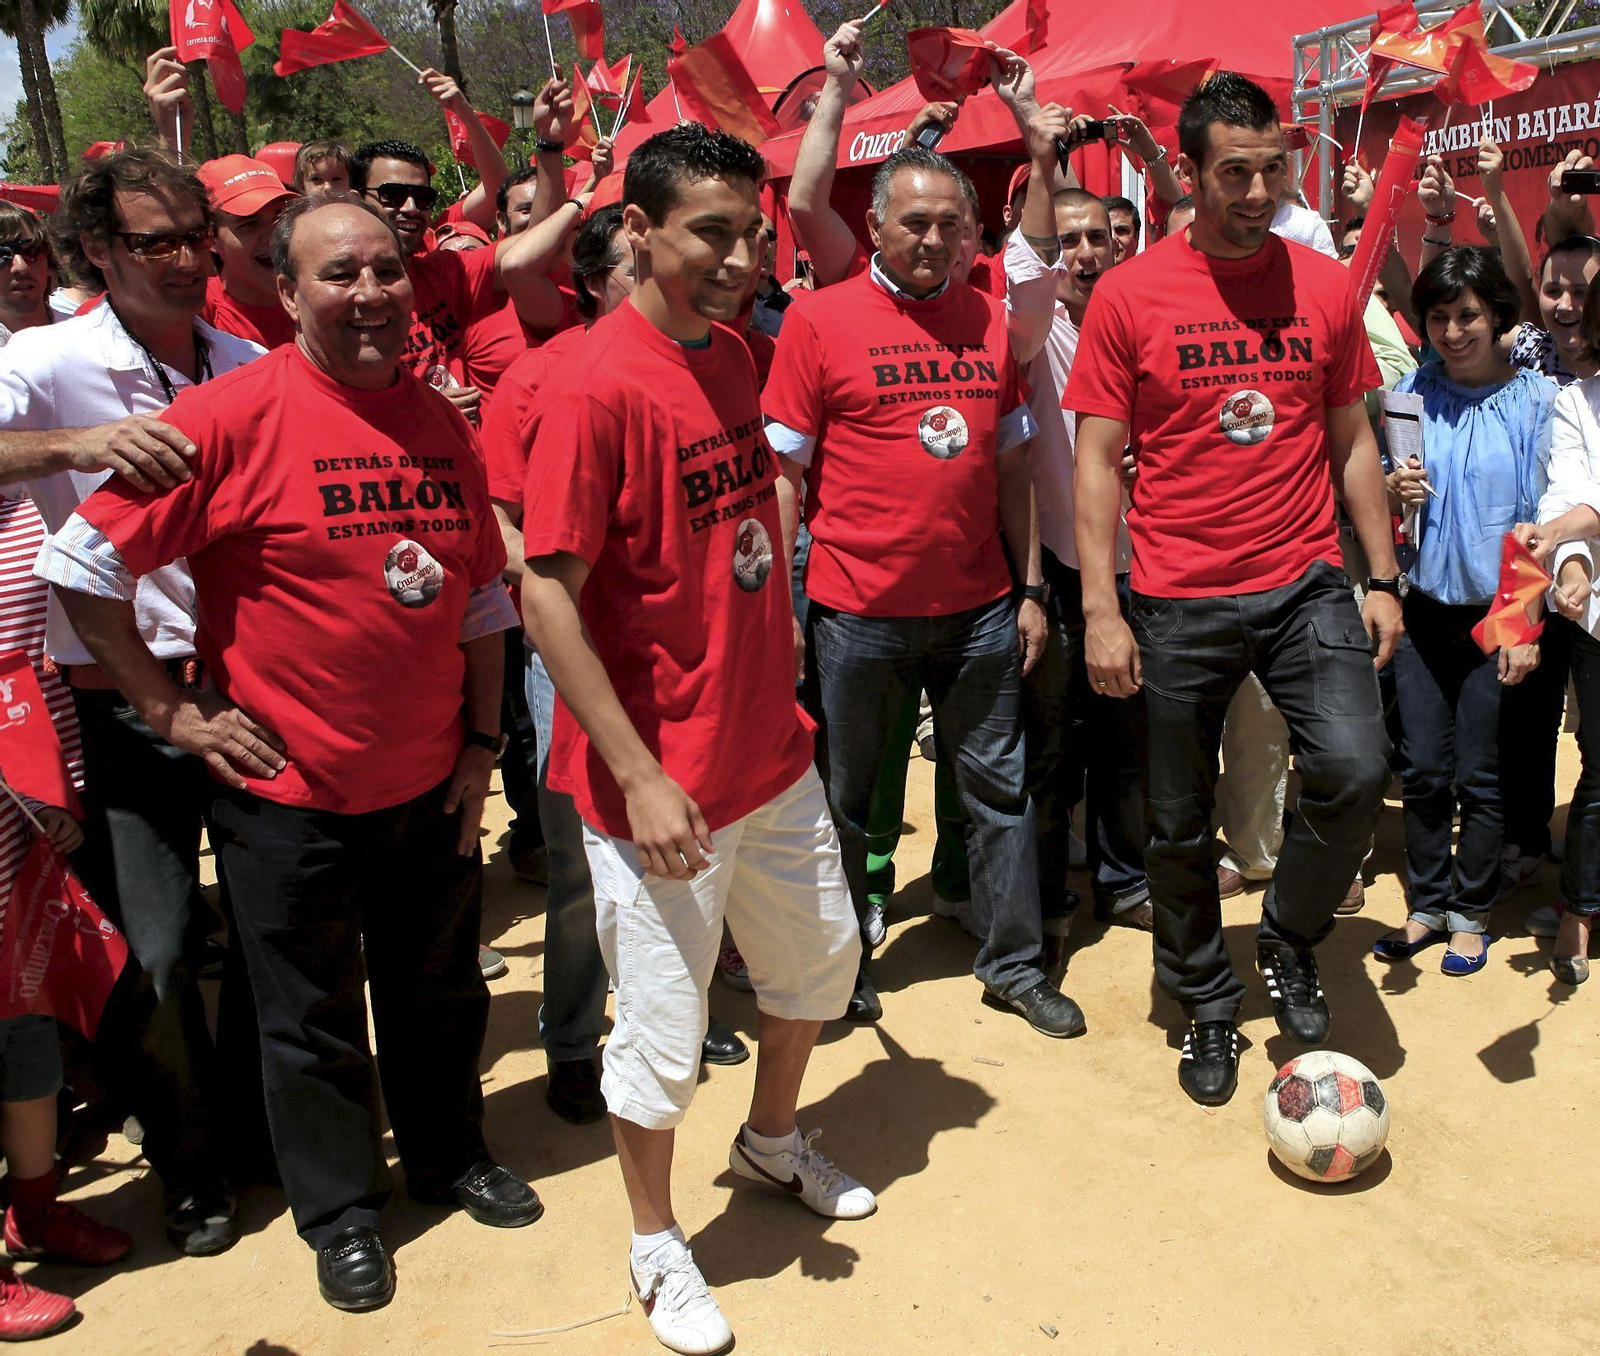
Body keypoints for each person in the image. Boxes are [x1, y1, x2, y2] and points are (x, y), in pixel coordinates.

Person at [41, 192, 544, 1311]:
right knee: (308, 1017)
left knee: (438, 991)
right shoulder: (229, 416)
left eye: (386, 270)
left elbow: (477, 596)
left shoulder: (438, 417)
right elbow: (79, 564)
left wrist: (478, 741)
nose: (369, 294)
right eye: (338, 274)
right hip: (288, 790)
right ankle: (342, 1210)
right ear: (286, 290)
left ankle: (451, 1154)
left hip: (430, 777)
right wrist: (169, 711)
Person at [520, 124, 873, 1356]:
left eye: (750, 233)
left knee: (818, 969)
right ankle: (655, 1237)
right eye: (709, 233)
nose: (738, 257)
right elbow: (546, 594)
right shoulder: (591, 385)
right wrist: (637, 773)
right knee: (663, 1042)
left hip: (768, 753)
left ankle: (770, 1141)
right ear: (638, 230)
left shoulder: (735, 356)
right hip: (660, 788)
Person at [1066, 73, 1398, 1106]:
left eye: (1272, 170)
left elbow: (1352, 440)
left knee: (1354, 769)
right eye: (1234, 172)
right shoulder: (1129, 295)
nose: (1257, 192)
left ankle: (1289, 935)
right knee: (1176, 820)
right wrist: (1101, 609)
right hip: (1176, 595)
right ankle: (1206, 997)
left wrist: (1382, 576)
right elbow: (1095, 460)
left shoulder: (1323, 285)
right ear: (1189, 170)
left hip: (1304, 580)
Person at [0, 148, 264, 1253]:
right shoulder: (46, 358)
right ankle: (188, 1162)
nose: (186, 260)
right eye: (155, 242)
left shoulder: (247, 360)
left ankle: (256, 1136)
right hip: (117, 707)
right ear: (97, 251)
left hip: (250, 693)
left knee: (270, 936)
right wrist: (76, 444)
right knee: (155, 954)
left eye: (196, 237)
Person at [766, 140, 1084, 1039]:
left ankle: (1014, 964)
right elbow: (783, 478)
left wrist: (1029, 589)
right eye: (915, 222)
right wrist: (782, 612)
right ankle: (838, 971)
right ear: (875, 226)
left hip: (980, 612)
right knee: (845, 801)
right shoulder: (818, 322)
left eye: (951, 224)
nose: (934, 239)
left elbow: (1014, 466)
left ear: (973, 233)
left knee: (999, 794)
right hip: (856, 612)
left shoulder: (990, 320)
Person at [1371, 248, 1554, 976]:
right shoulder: (1408, 394)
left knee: (1480, 773)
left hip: (1495, 616)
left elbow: (1538, 520)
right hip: (1422, 611)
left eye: (1468, 315)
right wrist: (1391, 489)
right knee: (1421, 769)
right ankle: (1426, 904)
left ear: (1497, 315)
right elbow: (1383, 494)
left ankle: (1470, 912)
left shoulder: (1537, 401)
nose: (1453, 331)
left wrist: (1522, 625)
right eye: (1439, 317)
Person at [1004, 106, 1150, 945]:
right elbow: (1024, 271)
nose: (1085, 253)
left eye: (1099, 237)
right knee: (1052, 745)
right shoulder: (1031, 333)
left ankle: (1123, 883)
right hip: (1060, 569)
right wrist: (1041, 157)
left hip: (1144, 567)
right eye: (1069, 240)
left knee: (1129, 737)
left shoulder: (1144, 325)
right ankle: (1046, 898)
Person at [1517, 282, 1600, 983]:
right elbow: (1568, 490)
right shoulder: (1577, 401)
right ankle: (1582, 909)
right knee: (1599, 769)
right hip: (1598, 617)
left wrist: (1566, 533)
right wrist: (1570, 563)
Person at [196, 155, 300, 348]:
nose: (273, 236)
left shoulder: (319, 297)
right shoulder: (198, 314)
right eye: (250, 224)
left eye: (281, 216)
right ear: (210, 238)